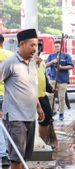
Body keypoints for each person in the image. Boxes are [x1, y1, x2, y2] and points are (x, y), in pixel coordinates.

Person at [0, 29, 45, 169]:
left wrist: (38, 107)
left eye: (36, 45)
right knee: (17, 158)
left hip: (30, 116)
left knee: (25, 155)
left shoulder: (32, 63)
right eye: (31, 45)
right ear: (21, 44)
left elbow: (31, 87)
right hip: (15, 117)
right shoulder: (10, 63)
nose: (34, 49)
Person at [46, 40, 74, 121]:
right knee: (50, 96)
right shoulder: (51, 56)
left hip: (63, 80)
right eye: (55, 46)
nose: (56, 48)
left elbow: (71, 66)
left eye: (58, 46)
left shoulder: (66, 56)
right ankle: (53, 111)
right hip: (53, 79)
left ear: (61, 47)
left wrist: (62, 67)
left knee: (61, 97)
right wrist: (52, 62)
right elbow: (45, 65)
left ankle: (61, 113)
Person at [0, 33, 13, 167]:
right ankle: (8, 153)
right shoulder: (10, 55)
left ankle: (3, 154)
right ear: (2, 42)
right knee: (7, 124)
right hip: (9, 95)